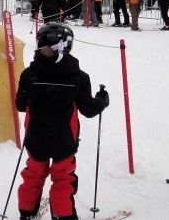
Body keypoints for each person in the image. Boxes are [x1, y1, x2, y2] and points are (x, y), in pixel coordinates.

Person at [15, 22, 109, 220]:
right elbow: (89, 109)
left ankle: (27, 212)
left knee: (33, 175)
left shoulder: (30, 75)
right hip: (63, 139)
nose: (45, 49)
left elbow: (21, 105)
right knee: (63, 178)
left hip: (37, 137)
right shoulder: (78, 77)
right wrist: (102, 100)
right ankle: (63, 215)